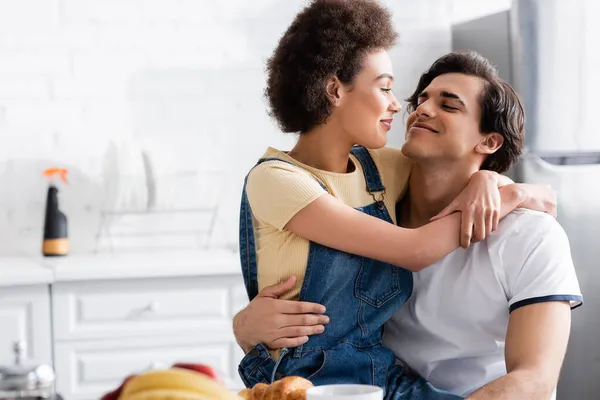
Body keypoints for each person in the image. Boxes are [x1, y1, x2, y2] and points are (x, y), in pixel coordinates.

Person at [237, 0, 556, 398]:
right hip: (305, 380)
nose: (404, 106)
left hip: (375, 374)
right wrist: (243, 326)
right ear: (335, 90)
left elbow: (523, 192)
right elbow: (415, 249)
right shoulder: (276, 179)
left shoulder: (381, 169)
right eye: (386, 87)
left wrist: (493, 182)